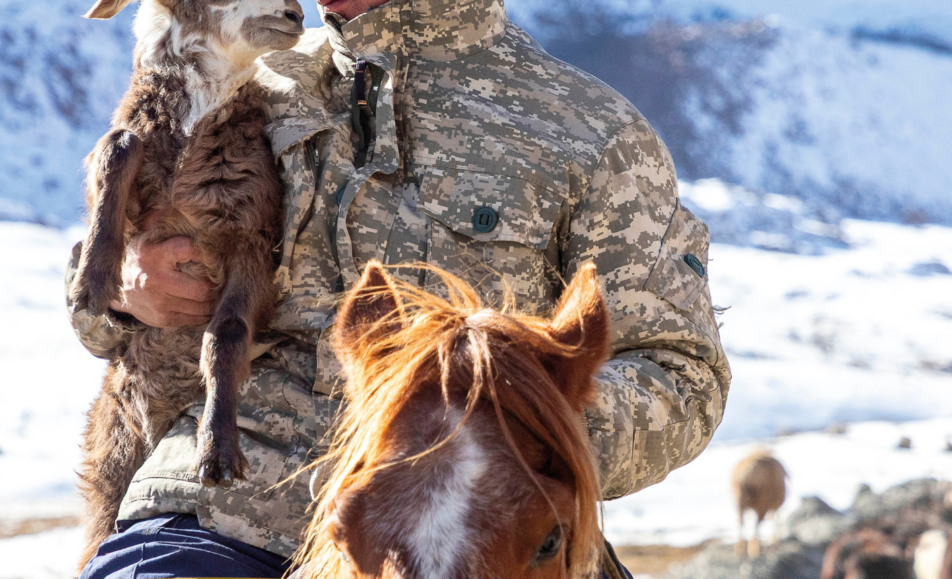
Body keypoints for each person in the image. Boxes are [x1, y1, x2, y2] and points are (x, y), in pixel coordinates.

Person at [67, 0, 732, 575]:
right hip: (219, 512)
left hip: (477, 534)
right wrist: (130, 286)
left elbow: (680, 372)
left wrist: (519, 435)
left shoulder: (590, 132)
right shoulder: (240, 73)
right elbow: (95, 294)